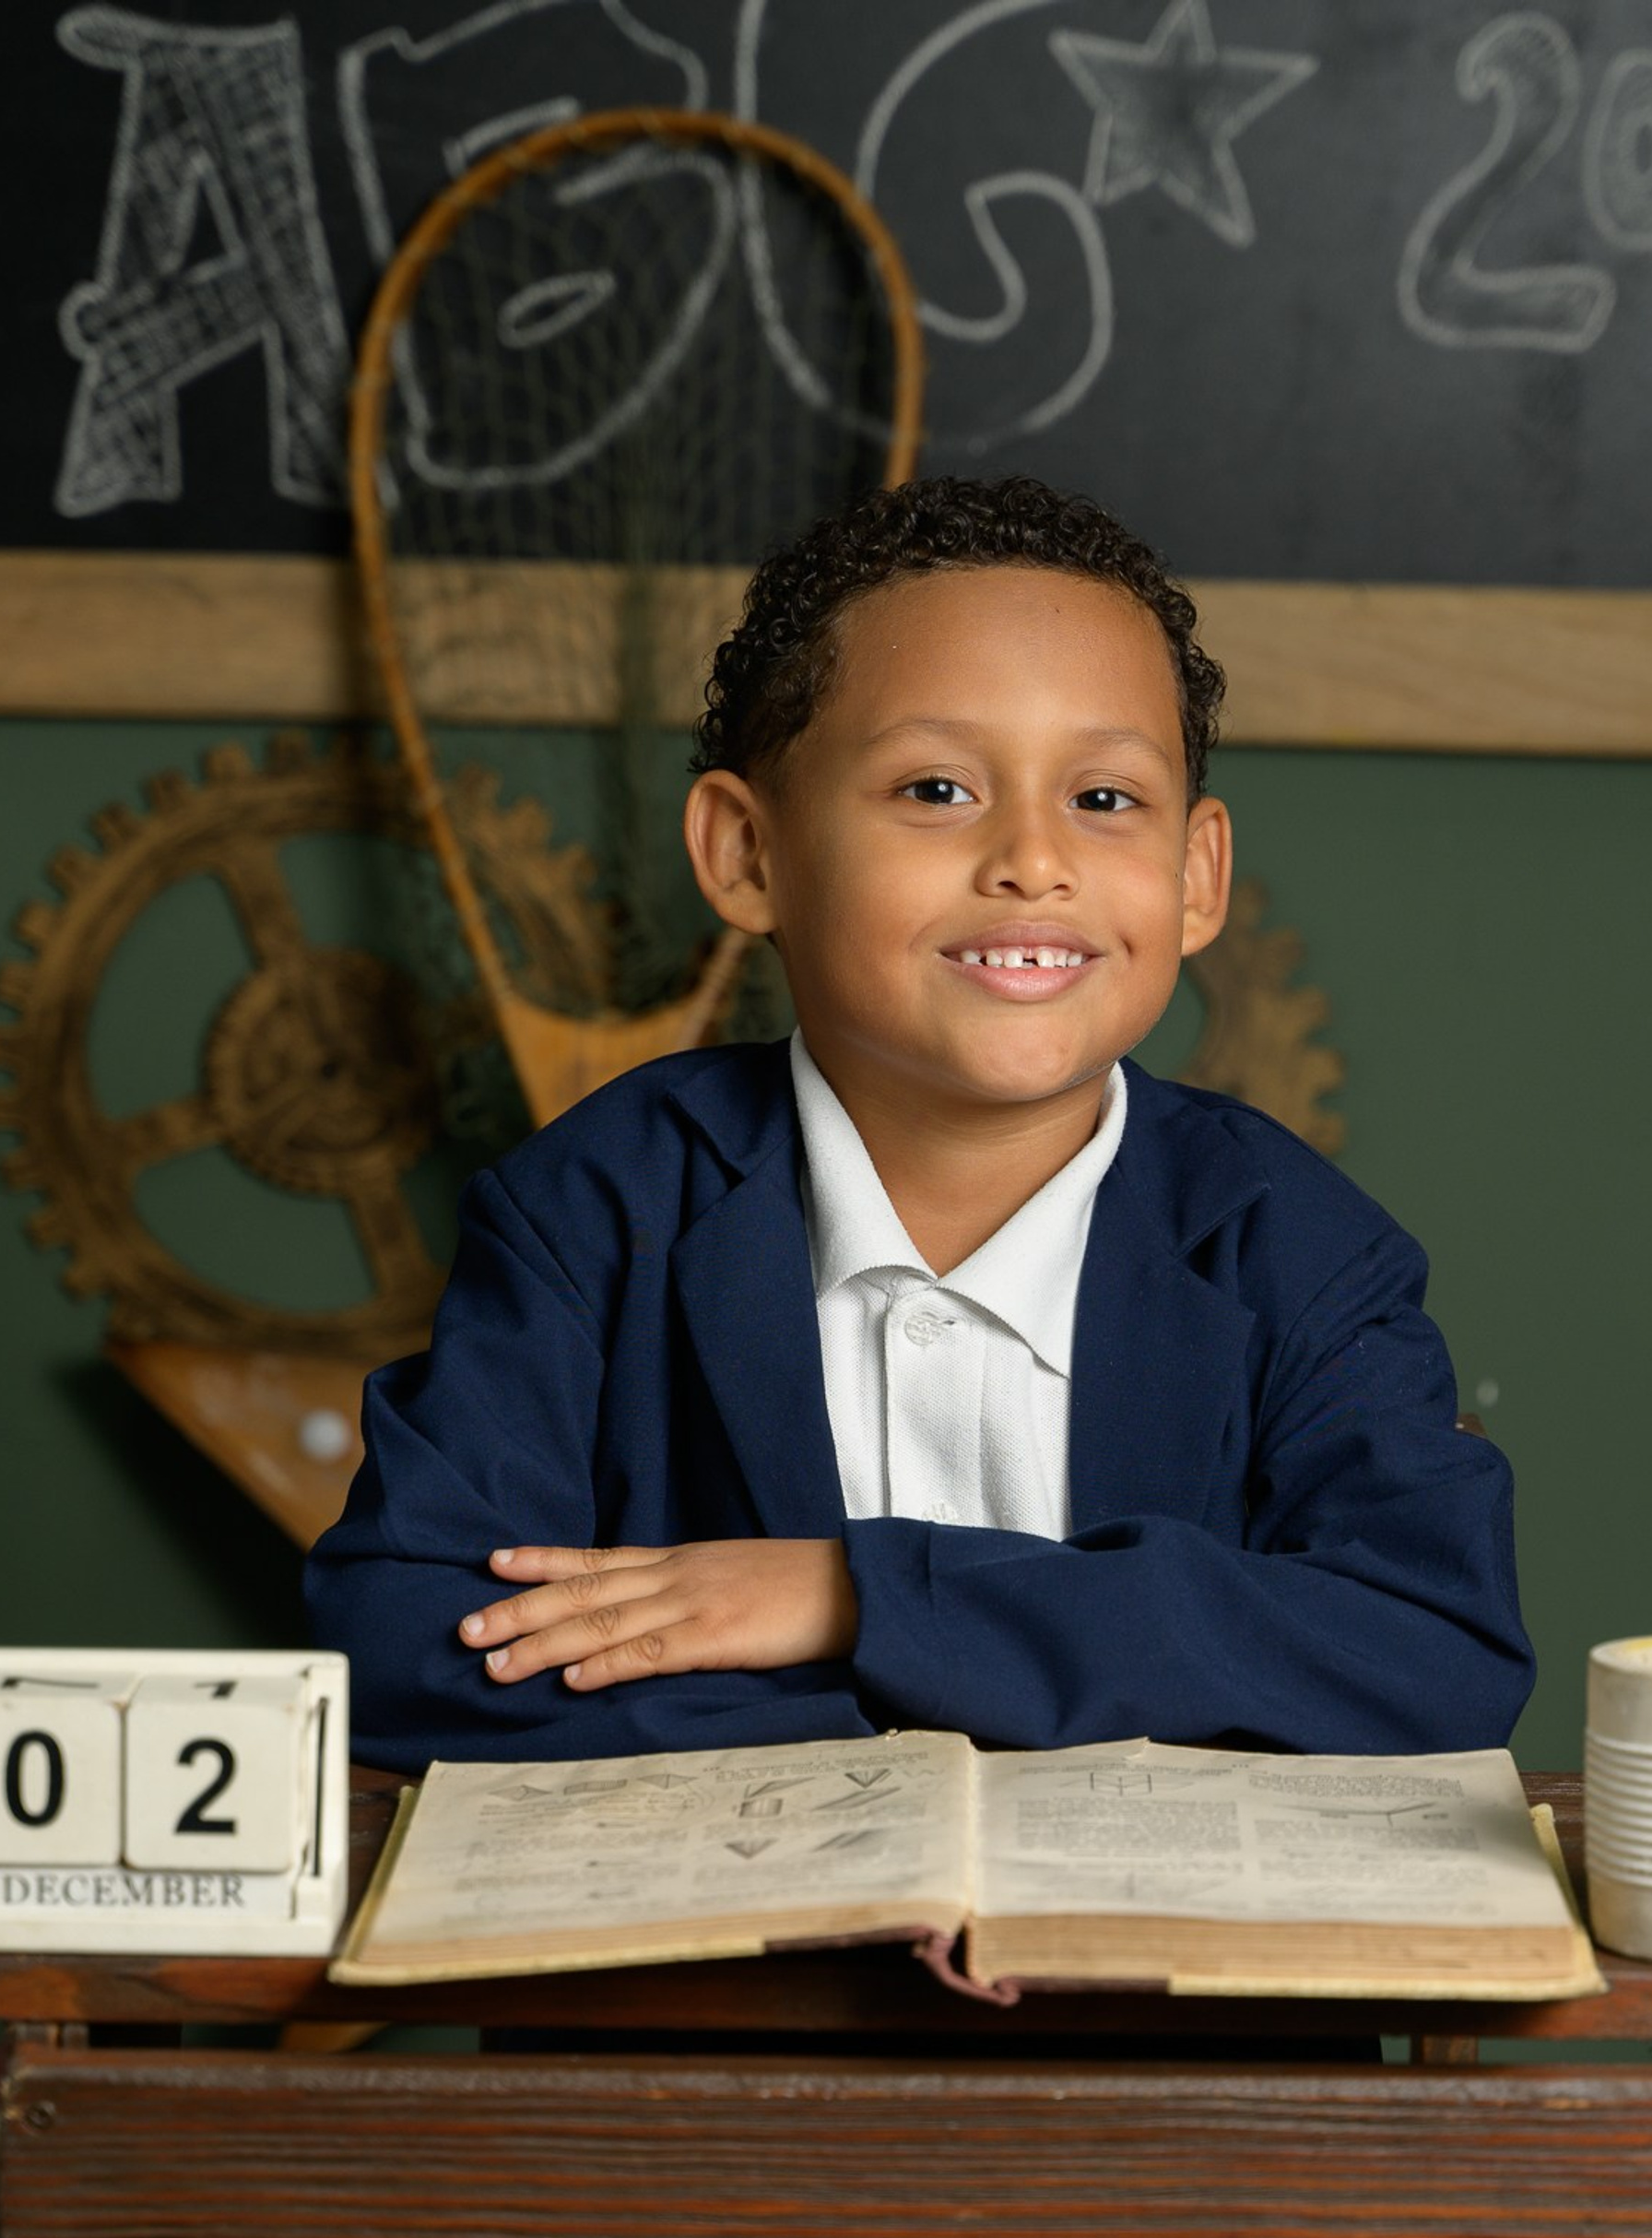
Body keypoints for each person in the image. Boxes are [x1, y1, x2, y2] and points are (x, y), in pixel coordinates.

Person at [305, 475, 1529, 1772]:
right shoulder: (593, 1211)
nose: (1034, 862)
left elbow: (1432, 1647)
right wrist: (931, 1718)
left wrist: (858, 1598)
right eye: (937, 789)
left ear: (1196, 874)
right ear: (746, 853)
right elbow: (406, 1638)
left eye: (1104, 799)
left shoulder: (1298, 1249)